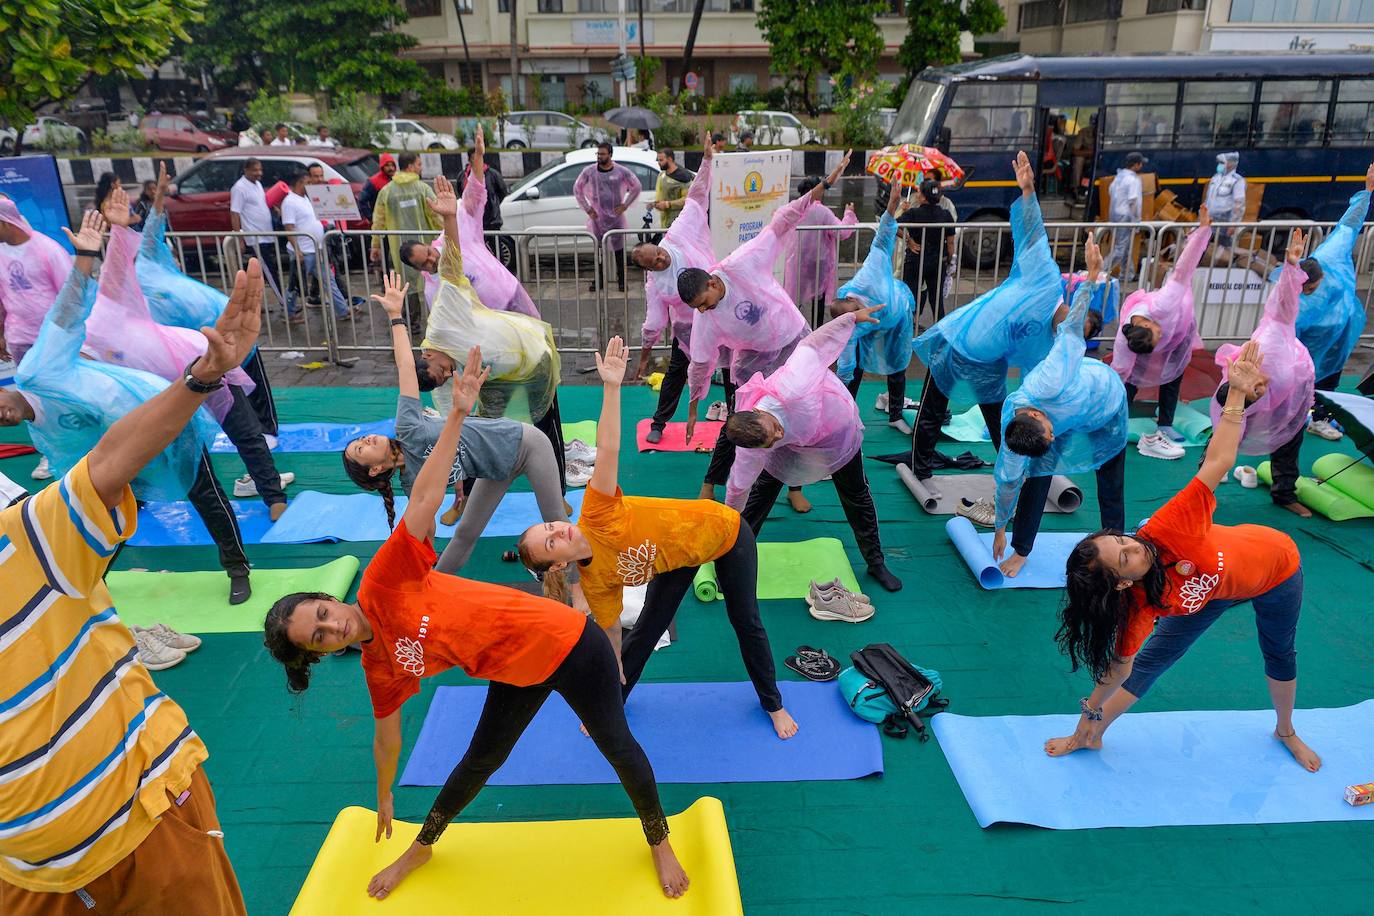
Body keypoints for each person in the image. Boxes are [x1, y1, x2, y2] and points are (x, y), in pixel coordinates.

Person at [264, 348, 690, 903]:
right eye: (318, 636)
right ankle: (422, 846)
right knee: (481, 758)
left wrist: (458, 416)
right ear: (319, 653)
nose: (333, 625)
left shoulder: (383, 581)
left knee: (616, 744)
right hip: (516, 671)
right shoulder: (379, 665)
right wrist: (384, 793)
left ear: (328, 599)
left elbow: (424, 497)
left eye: (323, 613)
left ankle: (658, 839)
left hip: (566, 642)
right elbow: (386, 734)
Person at [0, 255, 263, 916]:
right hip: (31, 873)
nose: (4, 410)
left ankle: (238, 567)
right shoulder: (40, 435)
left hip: (143, 825)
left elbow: (110, 459)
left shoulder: (19, 535)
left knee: (209, 499)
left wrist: (202, 378)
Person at [1048, 338, 1320, 774]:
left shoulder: (1165, 529)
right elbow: (1118, 671)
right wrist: (1086, 723)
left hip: (1277, 567)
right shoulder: (1138, 604)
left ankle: (1285, 730)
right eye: (1123, 558)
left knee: (1279, 651)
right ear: (1121, 583)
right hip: (1212, 594)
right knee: (1151, 660)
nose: (1131, 545)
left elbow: (1218, 460)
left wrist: (1236, 392)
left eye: (1120, 540)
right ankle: (1092, 737)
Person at [516, 337, 799, 740]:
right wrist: (612, 683)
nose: (558, 529)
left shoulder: (595, 511)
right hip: (676, 560)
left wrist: (611, 387)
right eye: (551, 542)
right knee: (647, 627)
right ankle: (616, 704)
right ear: (559, 563)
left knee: (745, 620)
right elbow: (614, 632)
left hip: (726, 533)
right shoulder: (596, 582)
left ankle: (774, 703)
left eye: (548, 527)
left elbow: (609, 446)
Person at [96, 186, 290, 601]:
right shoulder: (76, 369)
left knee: (245, 434)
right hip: (169, 399)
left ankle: (271, 497)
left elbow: (116, 270)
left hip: (204, 362)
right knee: (198, 484)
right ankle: (233, 566)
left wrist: (119, 229)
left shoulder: (107, 312)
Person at [345, 271, 573, 575]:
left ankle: (580, 591)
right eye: (361, 449)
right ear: (375, 469)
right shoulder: (413, 482)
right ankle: (433, 587)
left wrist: (395, 316)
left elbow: (404, 366)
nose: (367, 440)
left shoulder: (408, 426)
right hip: (497, 468)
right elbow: (423, 532)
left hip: (526, 445)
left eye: (361, 439)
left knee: (557, 526)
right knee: (465, 534)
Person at [677, 152, 853, 508]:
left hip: (793, 339)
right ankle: (712, 483)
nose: (705, 310)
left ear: (713, 280)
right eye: (698, 309)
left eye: (705, 302)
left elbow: (783, 220)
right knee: (741, 423)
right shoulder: (705, 318)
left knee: (802, 414)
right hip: (754, 360)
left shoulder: (742, 263)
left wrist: (826, 184)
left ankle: (795, 486)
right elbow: (699, 363)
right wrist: (693, 407)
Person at [905, 152, 1064, 503]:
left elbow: (1036, 383)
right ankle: (920, 470)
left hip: (989, 360)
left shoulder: (1052, 342)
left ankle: (1012, 468)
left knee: (1000, 415)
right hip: (957, 341)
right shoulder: (1045, 280)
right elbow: (1032, 235)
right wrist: (1028, 193)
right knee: (933, 406)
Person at [725, 310, 904, 592]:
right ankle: (732, 559)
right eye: (770, 441)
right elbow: (738, 487)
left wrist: (851, 317)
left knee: (856, 493)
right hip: (796, 446)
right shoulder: (756, 448)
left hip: (836, 430)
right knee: (760, 495)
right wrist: (727, 526)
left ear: (762, 412)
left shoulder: (794, 382)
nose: (778, 434)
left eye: (774, 429)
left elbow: (813, 344)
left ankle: (876, 562)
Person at [413, 173, 567, 489]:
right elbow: (452, 427)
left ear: (427, 354)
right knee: (473, 433)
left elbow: (452, 264)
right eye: (443, 378)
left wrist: (449, 219)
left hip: (534, 356)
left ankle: (558, 487)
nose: (447, 374)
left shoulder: (443, 316)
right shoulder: (441, 381)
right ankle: (467, 496)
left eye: (442, 369)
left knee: (546, 424)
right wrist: (453, 484)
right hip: (495, 380)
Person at [991, 236, 1128, 578]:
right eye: (1050, 437)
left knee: (1110, 476)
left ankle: (1117, 544)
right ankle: (1023, 549)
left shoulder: (1049, 379)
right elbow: (1008, 484)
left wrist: (1091, 280)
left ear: (1037, 414)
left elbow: (1070, 329)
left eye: (1049, 433)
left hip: (1106, 400)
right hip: (1071, 413)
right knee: (1037, 475)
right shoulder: (1016, 441)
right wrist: (998, 528)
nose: (1052, 439)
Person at [139, 162, 281, 440]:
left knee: (251, 371)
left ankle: (267, 428)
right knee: (227, 385)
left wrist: (160, 195)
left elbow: (154, 223)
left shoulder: (145, 260)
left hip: (226, 318)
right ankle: (247, 431)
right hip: (202, 342)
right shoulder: (133, 306)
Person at [1210, 230, 1316, 518]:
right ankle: (1202, 493)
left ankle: (1284, 493)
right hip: (1247, 393)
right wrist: (1291, 268)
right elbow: (1284, 301)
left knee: (1291, 437)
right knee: (1224, 438)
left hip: (1279, 400)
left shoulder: (1287, 338)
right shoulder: (1277, 325)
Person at [630, 133, 714, 444]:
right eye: (657, 261)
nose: (662, 258)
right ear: (650, 269)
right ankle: (659, 422)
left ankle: (737, 416)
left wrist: (706, 160)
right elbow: (653, 325)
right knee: (677, 374)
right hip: (689, 329)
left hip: (717, 314)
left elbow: (697, 197)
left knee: (732, 369)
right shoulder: (656, 286)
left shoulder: (675, 236)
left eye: (659, 253)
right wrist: (643, 358)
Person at [402, 127, 538, 318]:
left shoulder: (455, 233)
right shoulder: (433, 291)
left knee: (540, 342)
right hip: (492, 322)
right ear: (418, 270)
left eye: (428, 253)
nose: (432, 260)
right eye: (424, 263)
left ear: (428, 245)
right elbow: (446, 325)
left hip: (511, 292)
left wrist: (478, 158)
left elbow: (473, 197)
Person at [1112, 208, 1213, 461]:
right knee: (1130, 380)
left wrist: (1201, 234)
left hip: (1181, 330)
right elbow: (1119, 371)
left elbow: (1183, 268)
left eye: (1157, 335)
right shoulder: (1126, 340)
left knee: (1173, 373)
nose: (1160, 337)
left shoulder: (1165, 303)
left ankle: (1165, 422)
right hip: (1152, 343)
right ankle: (1116, 420)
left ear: (1149, 325)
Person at [1294, 163, 1374, 441]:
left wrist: (1367, 192)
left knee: (1332, 377)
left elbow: (1348, 224)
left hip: (1342, 329)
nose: (1306, 292)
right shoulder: (1295, 299)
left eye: (1310, 288)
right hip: (1311, 342)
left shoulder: (1332, 254)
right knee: (1301, 378)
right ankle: (1294, 415)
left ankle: (1320, 418)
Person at [834, 183, 915, 432]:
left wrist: (892, 204)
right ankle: (847, 415)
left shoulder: (870, 273)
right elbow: (845, 366)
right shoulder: (851, 326)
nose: (858, 318)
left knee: (897, 364)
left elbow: (884, 235)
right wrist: (836, 394)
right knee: (855, 367)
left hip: (898, 315)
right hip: (878, 323)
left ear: (854, 301)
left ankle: (896, 414)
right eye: (855, 320)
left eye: (856, 314)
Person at [0, 196, 72, 370]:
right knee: (29, 393)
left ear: (5, 223)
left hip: (53, 341)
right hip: (19, 339)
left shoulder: (48, 250)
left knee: (58, 393)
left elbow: (72, 297)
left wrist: (65, 337)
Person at [281, 169, 360, 323]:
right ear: (299, 183)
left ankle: (343, 311)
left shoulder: (306, 198)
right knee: (295, 285)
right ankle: (289, 313)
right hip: (303, 251)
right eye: (308, 182)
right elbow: (289, 228)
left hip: (317, 249)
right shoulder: (290, 202)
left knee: (329, 280)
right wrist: (297, 251)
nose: (311, 185)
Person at [782, 177, 857, 326]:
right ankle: (817, 330)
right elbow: (841, 232)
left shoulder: (793, 208)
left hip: (796, 261)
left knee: (794, 299)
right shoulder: (822, 211)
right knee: (818, 299)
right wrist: (848, 214)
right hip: (818, 263)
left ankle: (793, 330)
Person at [370, 153, 440, 301]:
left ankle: (411, 320)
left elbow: (378, 221)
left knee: (406, 282)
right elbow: (436, 216)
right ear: (410, 166)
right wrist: (445, 235)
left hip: (399, 247)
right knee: (430, 277)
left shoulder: (387, 191)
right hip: (425, 245)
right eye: (419, 164)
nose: (421, 168)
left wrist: (375, 245)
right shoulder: (423, 189)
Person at [574, 142, 642, 292]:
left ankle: (622, 281)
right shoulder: (589, 171)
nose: (599, 156)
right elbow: (577, 188)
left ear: (610, 155)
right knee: (598, 250)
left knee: (619, 252)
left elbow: (636, 186)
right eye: (598, 154)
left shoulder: (621, 171)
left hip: (616, 218)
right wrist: (588, 208)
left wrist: (625, 204)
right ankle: (599, 280)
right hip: (598, 218)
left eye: (603, 154)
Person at [896, 178, 955, 330]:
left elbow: (894, 225)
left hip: (915, 259)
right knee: (937, 303)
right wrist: (949, 261)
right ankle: (941, 337)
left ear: (922, 196)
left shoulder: (914, 213)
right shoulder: (946, 215)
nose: (916, 193)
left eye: (918, 191)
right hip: (937, 262)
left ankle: (907, 335)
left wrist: (909, 240)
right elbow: (950, 244)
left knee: (911, 298)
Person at [230, 158, 287, 308]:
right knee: (270, 271)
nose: (259, 173)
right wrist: (239, 239)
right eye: (255, 170)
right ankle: (284, 303)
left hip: (266, 235)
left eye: (260, 170)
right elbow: (235, 213)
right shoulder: (239, 188)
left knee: (257, 273)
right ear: (246, 170)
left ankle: (249, 304)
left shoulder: (257, 184)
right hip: (255, 237)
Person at [1104, 151, 1146, 282]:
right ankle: (1101, 269)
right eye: (1141, 163)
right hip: (1126, 217)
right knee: (1121, 248)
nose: (1142, 166)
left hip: (1115, 215)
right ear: (1136, 165)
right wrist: (1136, 219)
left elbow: (1110, 191)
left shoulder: (1119, 177)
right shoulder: (1133, 180)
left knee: (1126, 247)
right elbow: (1133, 201)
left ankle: (1127, 275)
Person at [456, 139, 508, 236]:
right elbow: (460, 192)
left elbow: (502, 191)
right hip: (470, 221)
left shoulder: (492, 174)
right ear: (469, 160)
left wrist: (493, 203)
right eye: (474, 158)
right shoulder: (463, 176)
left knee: (495, 248)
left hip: (491, 221)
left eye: (479, 157)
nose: (477, 160)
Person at [1205, 152, 1246, 252]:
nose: (1219, 165)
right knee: (1206, 250)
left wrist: (1233, 225)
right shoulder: (1215, 178)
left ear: (1231, 164)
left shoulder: (1237, 180)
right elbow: (1208, 199)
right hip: (1209, 220)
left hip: (1224, 223)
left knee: (1224, 252)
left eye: (1222, 163)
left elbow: (1239, 204)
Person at [651, 147, 695, 231]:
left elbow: (688, 199)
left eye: (661, 160)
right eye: (658, 160)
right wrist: (656, 204)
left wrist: (668, 204)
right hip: (665, 223)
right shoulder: (662, 175)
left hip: (679, 223)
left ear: (670, 159)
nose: (659, 163)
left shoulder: (683, 177)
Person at [358, 153, 396, 223]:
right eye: (387, 165)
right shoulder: (373, 182)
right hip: (381, 222)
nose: (391, 168)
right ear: (382, 166)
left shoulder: (396, 179)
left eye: (392, 165)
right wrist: (371, 218)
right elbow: (362, 201)